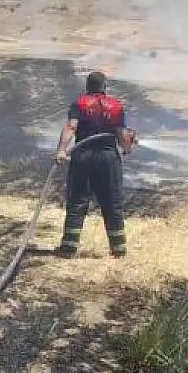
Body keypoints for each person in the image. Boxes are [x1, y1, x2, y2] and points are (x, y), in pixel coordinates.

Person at [52, 71, 137, 258]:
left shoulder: (80, 103)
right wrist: (128, 147)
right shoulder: (115, 106)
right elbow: (122, 134)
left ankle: (68, 248)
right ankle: (119, 250)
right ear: (104, 87)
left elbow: (71, 127)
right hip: (108, 158)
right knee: (112, 203)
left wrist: (61, 150)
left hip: (82, 156)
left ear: (87, 86)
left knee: (77, 201)